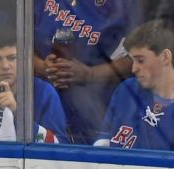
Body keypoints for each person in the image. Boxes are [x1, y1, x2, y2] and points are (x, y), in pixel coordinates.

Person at [33, 0, 142, 145]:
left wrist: (90, 74)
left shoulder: (123, 5)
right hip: (41, 102)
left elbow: (137, 55)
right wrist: (41, 67)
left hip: (93, 107)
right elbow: (15, 41)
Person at [94, 21, 174, 152]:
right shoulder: (126, 91)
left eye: (140, 60)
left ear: (165, 57)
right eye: (133, 61)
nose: (134, 69)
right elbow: (102, 142)